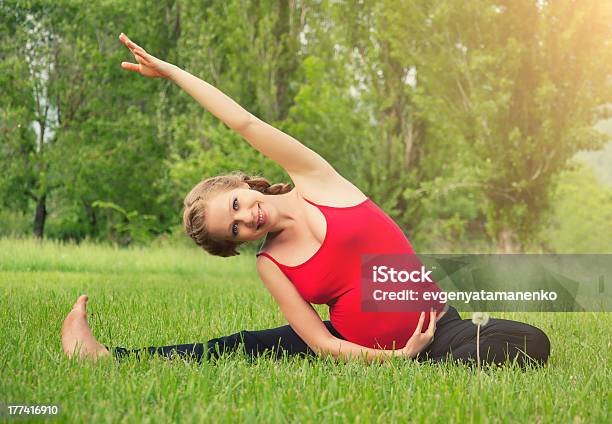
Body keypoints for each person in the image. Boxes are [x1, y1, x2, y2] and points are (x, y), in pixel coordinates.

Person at [60, 33, 550, 368]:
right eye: (232, 231)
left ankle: (437, 360)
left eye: (234, 205)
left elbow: (244, 122)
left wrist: (173, 74)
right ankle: (102, 356)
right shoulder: (271, 263)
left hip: (440, 329)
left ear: (241, 184)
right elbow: (318, 342)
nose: (244, 219)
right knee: (240, 347)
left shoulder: (314, 178)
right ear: (236, 244)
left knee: (531, 343)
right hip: (356, 344)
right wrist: (397, 360)